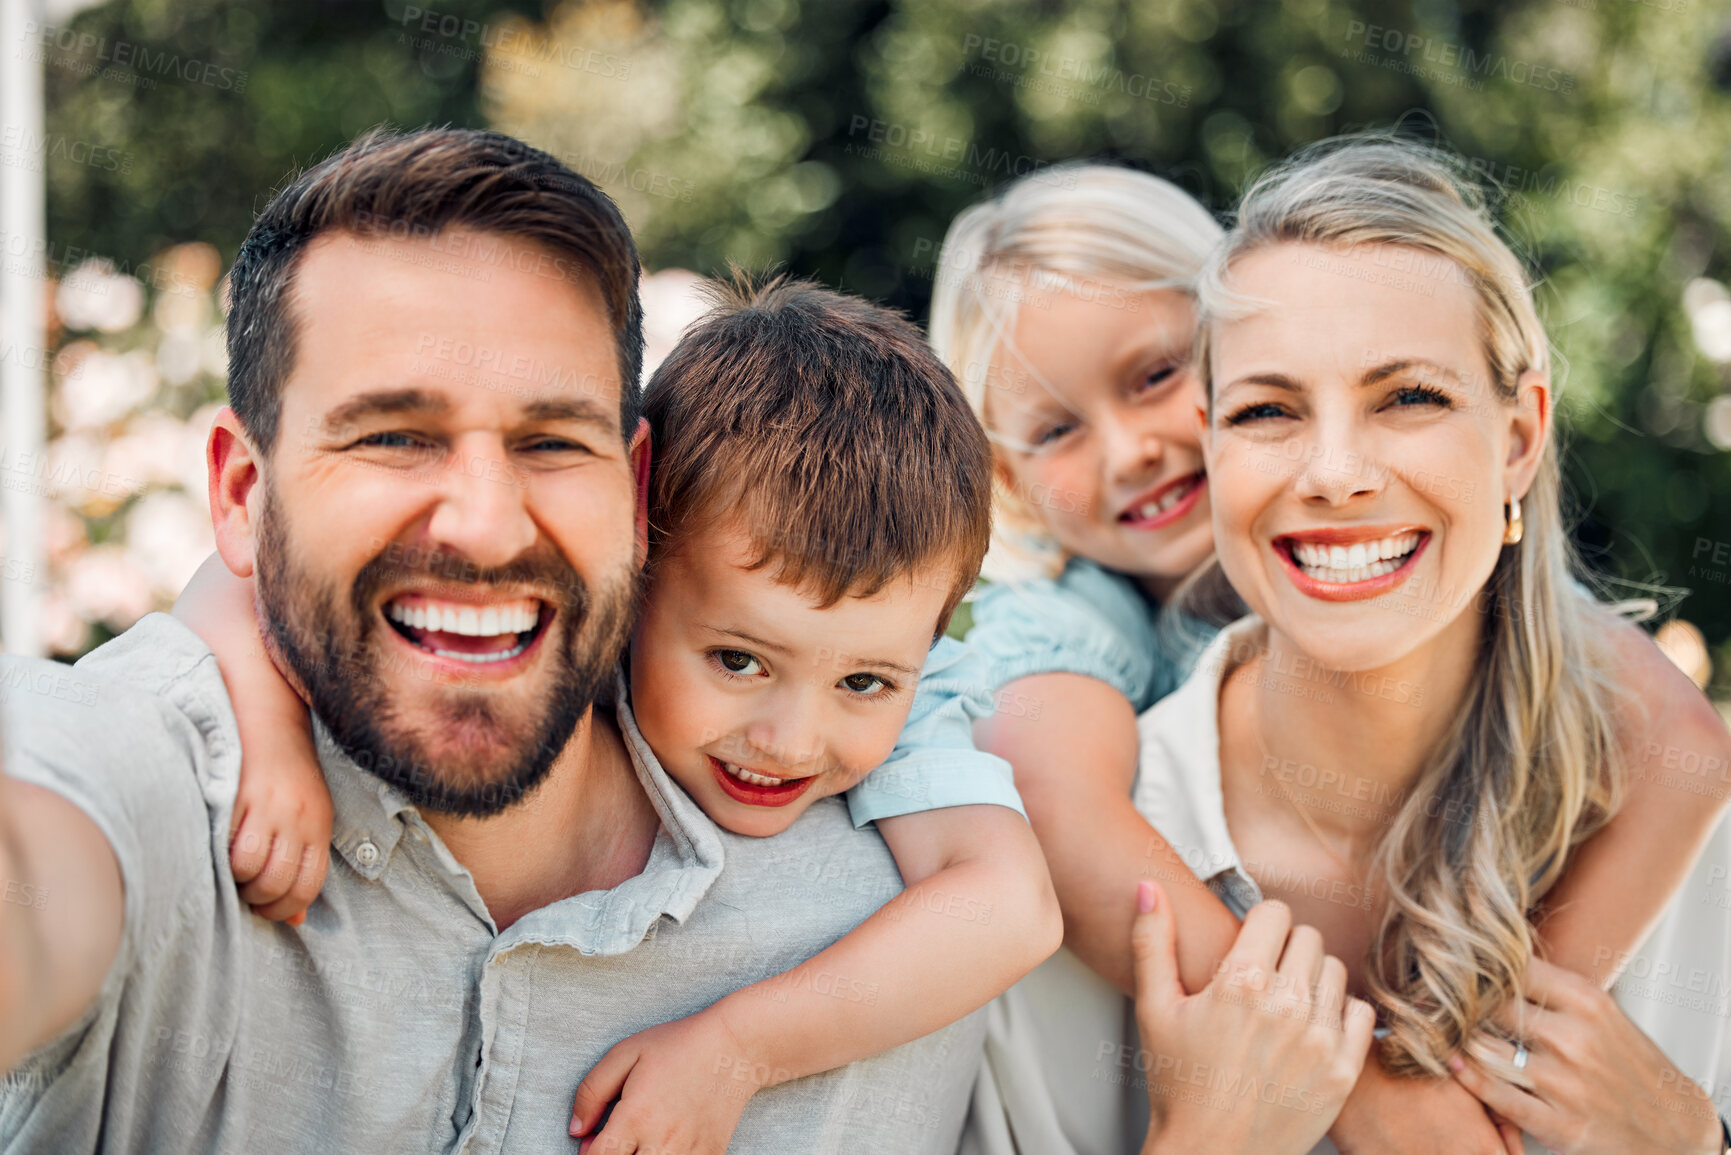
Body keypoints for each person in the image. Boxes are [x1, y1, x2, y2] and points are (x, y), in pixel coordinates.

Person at [0, 128, 999, 1154]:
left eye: (552, 442)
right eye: (393, 435)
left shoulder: (890, 919)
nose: (486, 523)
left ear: (637, 490)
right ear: (244, 496)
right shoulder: (174, 787)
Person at [932, 160, 1731, 1153]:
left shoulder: (1671, 832)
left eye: (1408, 396)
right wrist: (1326, 1102)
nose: (1338, 473)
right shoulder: (1064, 675)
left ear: (1520, 436)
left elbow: (1679, 727)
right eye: (1269, 409)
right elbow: (1049, 793)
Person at [170, 273, 1063, 1153]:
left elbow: (1011, 909)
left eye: (865, 684)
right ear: (632, 560)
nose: (791, 738)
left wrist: (737, 1050)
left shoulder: (921, 698)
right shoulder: (564, 632)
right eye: (738, 660)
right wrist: (273, 735)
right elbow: (239, 570)